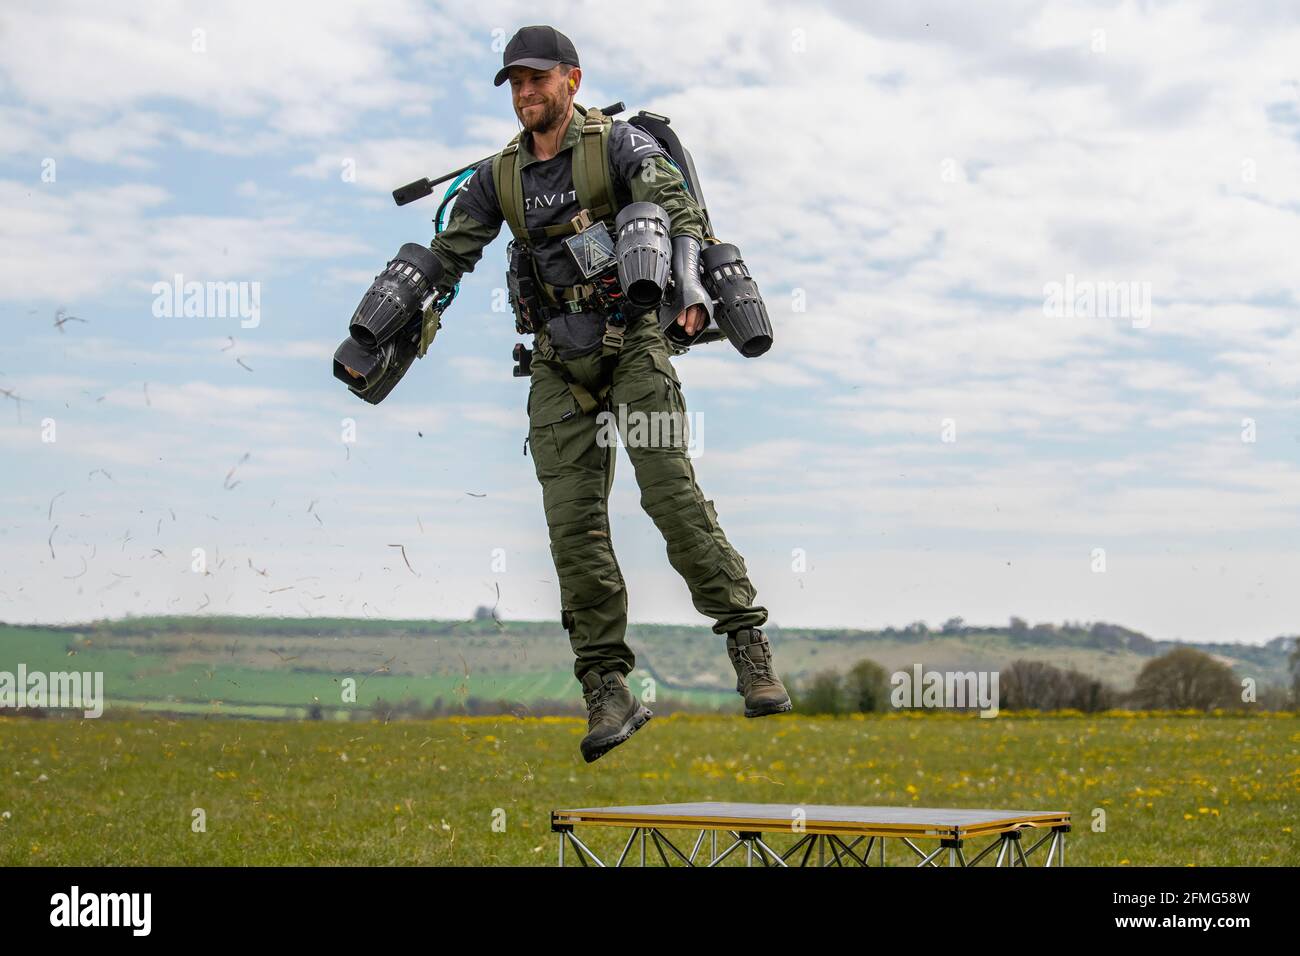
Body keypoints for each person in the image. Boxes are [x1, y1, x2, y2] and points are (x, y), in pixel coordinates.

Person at [425, 25, 791, 762]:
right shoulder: (500, 177)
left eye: (538, 79)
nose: (527, 93)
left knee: (670, 496)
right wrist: (394, 327)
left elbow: (675, 206)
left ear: (572, 80)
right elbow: (448, 255)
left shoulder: (616, 145)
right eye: (515, 84)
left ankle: (747, 645)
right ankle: (607, 689)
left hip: (632, 344)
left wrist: (688, 290)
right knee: (573, 529)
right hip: (558, 363)